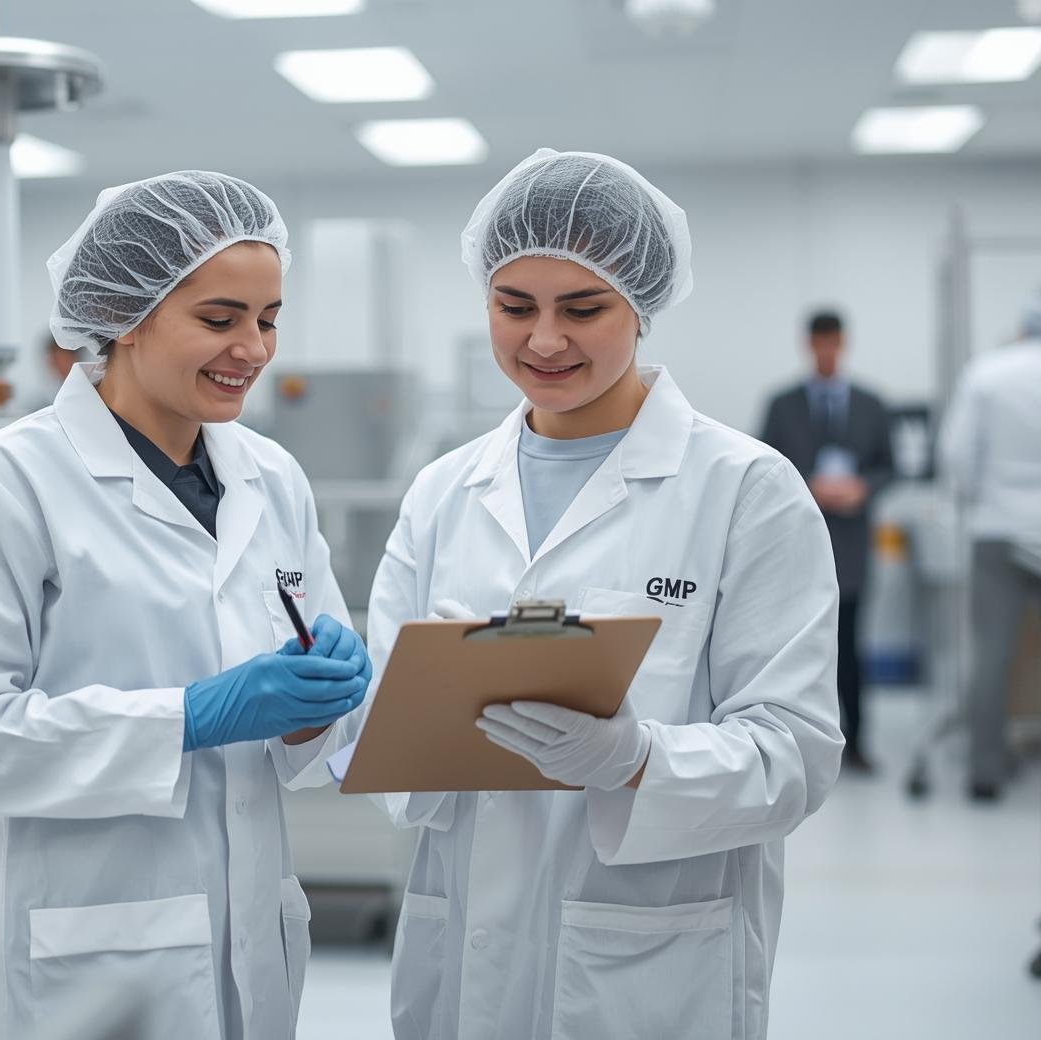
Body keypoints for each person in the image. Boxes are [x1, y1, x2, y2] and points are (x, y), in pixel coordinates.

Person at [342, 149, 842, 1040]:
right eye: (513, 307)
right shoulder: (443, 492)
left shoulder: (744, 489)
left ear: (642, 307)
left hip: (648, 957)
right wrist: (397, 716)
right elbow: (381, 741)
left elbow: (795, 754)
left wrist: (636, 761)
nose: (543, 341)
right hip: (461, 946)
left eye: (583, 309)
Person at [0, 171, 371, 1040]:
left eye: (268, 319)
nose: (255, 349)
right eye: (219, 319)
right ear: (124, 313)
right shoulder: (9, 484)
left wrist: (320, 711)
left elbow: (305, 744)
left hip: (253, 948)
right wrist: (190, 717)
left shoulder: (270, 478)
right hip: (88, 960)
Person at [760, 310, 895, 772]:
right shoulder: (783, 405)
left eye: (833, 344)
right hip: (798, 541)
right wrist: (806, 486)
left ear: (842, 343)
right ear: (809, 345)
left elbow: (888, 466)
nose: (826, 352)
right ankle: (802, 743)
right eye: (820, 344)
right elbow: (767, 464)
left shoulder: (872, 404)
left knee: (851, 647)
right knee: (798, 648)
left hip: (853, 543)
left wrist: (863, 489)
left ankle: (856, 743)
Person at [937, 294, 1041, 800]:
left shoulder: (988, 374)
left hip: (998, 528)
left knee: (993, 655)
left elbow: (956, 457)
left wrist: (986, 496)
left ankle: (985, 772)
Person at [19, 332, 89, 414]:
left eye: (56, 357)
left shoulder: (89, 394)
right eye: (50, 357)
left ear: (74, 356)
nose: (51, 362)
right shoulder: (39, 400)